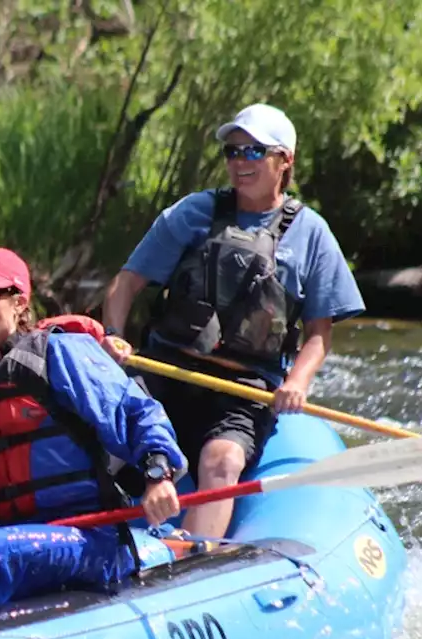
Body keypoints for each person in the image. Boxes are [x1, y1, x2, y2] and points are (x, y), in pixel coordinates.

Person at [100, 103, 365, 538]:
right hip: (166, 369)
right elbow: (127, 283)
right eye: (232, 152)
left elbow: (319, 335)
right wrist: (113, 337)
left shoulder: (311, 234)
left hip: (243, 389)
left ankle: (193, 562)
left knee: (221, 461)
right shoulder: (193, 213)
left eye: (254, 151)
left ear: (285, 160)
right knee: (103, 438)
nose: (240, 162)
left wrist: (296, 383)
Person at [0, 247, 188, 615]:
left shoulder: (60, 353)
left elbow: (136, 413)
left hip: (89, 540)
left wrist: (158, 474)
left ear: (20, 304)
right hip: (12, 545)